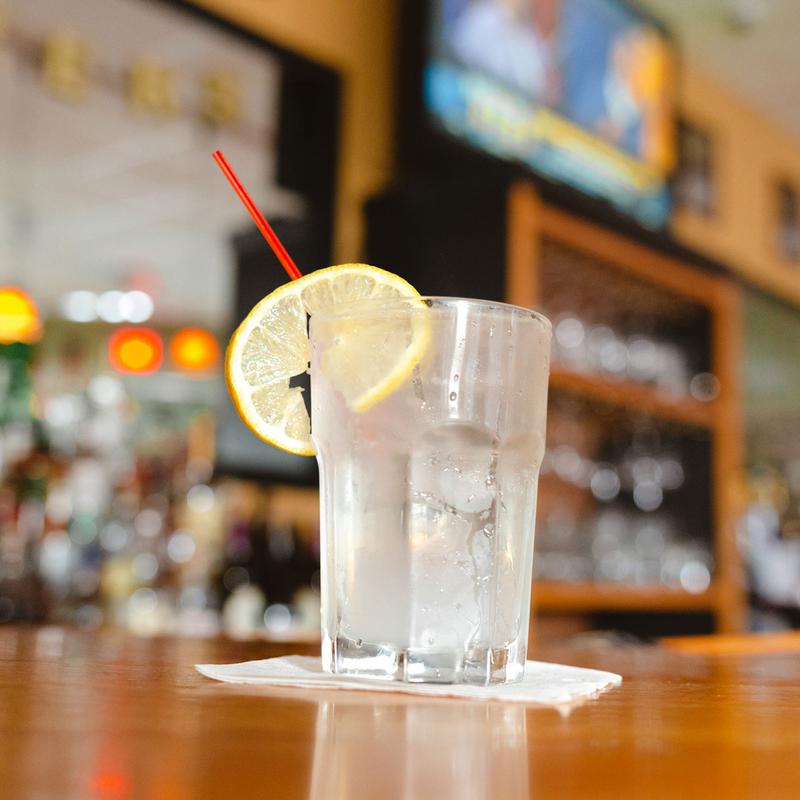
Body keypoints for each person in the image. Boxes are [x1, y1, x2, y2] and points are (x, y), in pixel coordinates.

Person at [451, 0, 554, 100]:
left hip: (523, 104)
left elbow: (539, 84)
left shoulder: (530, 35)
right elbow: (459, 64)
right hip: (478, 98)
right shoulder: (484, 20)